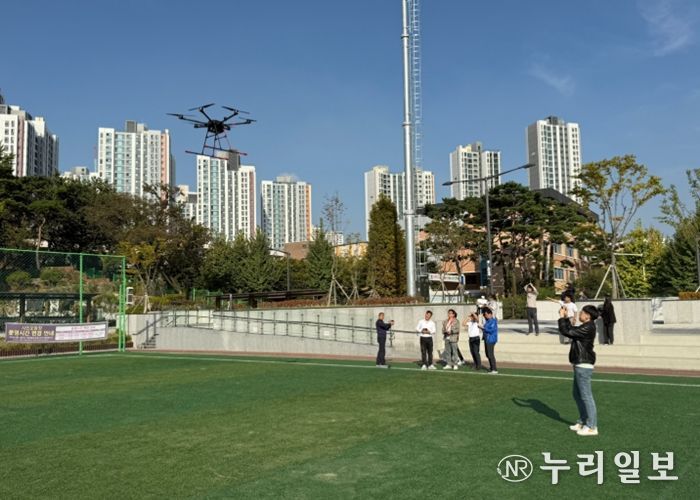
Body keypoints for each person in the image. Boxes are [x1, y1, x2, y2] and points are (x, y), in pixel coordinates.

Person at [558, 304, 600, 436]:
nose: (580, 314)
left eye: (582, 312)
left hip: (584, 365)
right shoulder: (586, 326)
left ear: (587, 316)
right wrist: (565, 318)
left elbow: (567, 332)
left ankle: (592, 426)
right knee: (577, 394)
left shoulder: (588, 327)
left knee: (586, 396)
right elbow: (571, 329)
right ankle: (582, 421)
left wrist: (561, 318)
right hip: (580, 364)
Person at [479, 307, 498, 374]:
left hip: (491, 339)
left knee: (490, 354)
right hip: (487, 339)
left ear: (490, 314)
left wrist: (483, 328)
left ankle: (494, 369)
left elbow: (491, 330)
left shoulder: (493, 321)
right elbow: (485, 329)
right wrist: (482, 328)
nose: (485, 316)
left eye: (486, 314)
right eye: (485, 315)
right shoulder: (487, 321)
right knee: (487, 354)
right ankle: (492, 367)